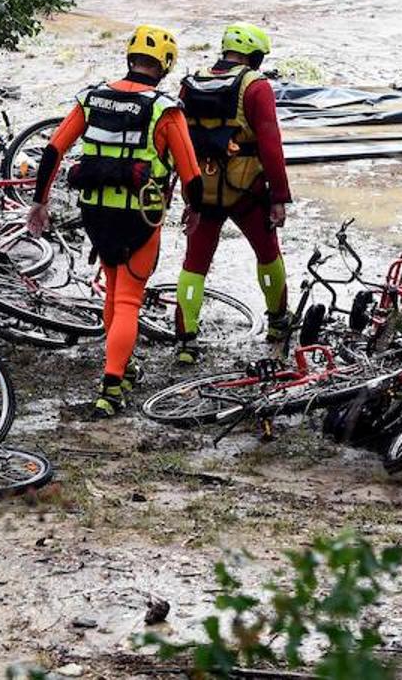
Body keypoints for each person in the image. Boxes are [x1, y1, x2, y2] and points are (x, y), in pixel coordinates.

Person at [25, 25, 201, 417]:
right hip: (140, 214)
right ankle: (111, 386)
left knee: (111, 292)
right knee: (128, 300)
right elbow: (190, 174)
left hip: (96, 212)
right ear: (166, 65)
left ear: (129, 57)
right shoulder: (164, 109)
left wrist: (40, 202)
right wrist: (195, 209)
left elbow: (54, 150)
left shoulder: (91, 98)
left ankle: (121, 366)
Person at [174, 22, 291, 363]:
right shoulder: (256, 87)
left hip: (202, 188)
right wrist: (280, 196)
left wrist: (184, 192)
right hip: (246, 189)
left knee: (195, 262)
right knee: (267, 252)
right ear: (253, 56)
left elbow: (179, 141)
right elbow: (271, 145)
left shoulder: (190, 83)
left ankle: (186, 341)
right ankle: (278, 323)